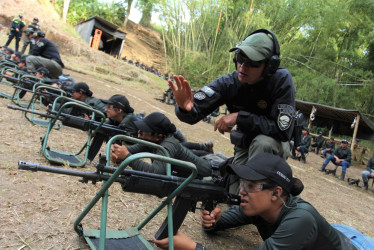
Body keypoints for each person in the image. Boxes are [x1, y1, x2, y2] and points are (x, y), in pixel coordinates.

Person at [169, 29, 295, 190]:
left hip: (273, 144)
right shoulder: (229, 83)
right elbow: (193, 113)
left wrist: (239, 117)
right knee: (235, 193)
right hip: (244, 143)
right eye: (240, 59)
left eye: (252, 63)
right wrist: (184, 108)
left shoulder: (281, 80)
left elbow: (283, 131)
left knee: (263, 143)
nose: (242, 67)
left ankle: (262, 193)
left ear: (269, 66)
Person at [153, 153, 357, 249]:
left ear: (276, 193)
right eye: (242, 184)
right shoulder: (258, 207)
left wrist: (192, 248)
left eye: (250, 186)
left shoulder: (300, 219)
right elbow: (216, 225)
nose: (242, 191)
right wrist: (213, 220)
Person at [110, 112, 212, 178]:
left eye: (143, 131)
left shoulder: (167, 145)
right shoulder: (152, 141)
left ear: (158, 136)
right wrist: (119, 154)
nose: (139, 133)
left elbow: (155, 173)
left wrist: (127, 157)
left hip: (210, 174)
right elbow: (130, 150)